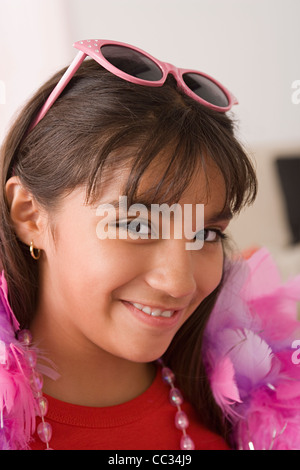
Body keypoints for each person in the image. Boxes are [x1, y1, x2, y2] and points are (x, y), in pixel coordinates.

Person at [0, 39, 297, 451]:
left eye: (205, 234)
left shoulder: (250, 418)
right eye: (137, 225)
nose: (179, 282)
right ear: (30, 215)